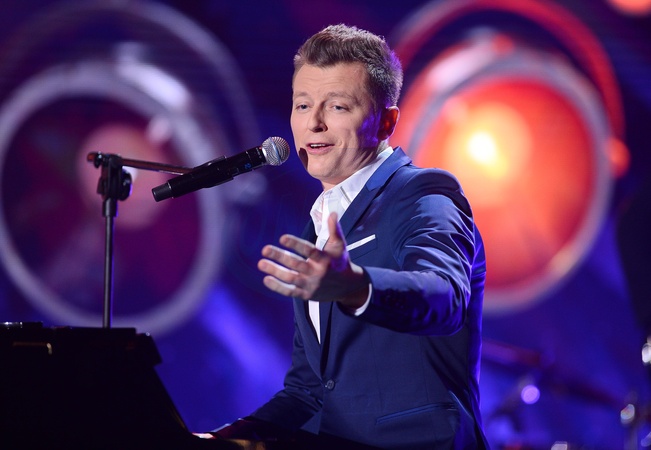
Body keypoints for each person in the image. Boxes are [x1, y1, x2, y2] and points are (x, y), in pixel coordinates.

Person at [214, 24, 488, 449]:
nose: (314, 123)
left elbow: (445, 296)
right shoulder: (318, 228)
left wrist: (357, 287)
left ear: (386, 121)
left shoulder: (423, 194)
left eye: (338, 106)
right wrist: (222, 438)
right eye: (303, 105)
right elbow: (308, 392)